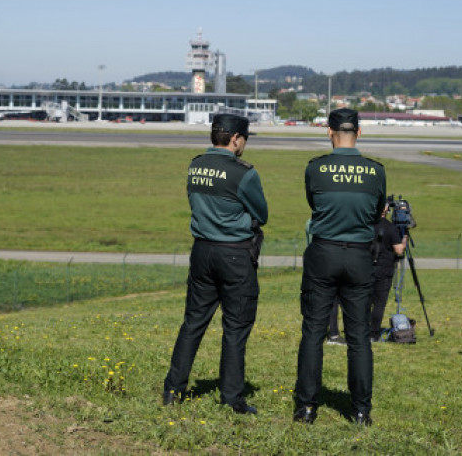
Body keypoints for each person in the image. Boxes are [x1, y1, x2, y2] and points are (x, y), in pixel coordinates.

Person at [163, 114, 268, 415]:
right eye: (245, 139)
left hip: (201, 251)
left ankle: (173, 390)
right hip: (234, 254)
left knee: (193, 322)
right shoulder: (244, 172)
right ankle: (232, 397)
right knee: (235, 326)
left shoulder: (195, 165)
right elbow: (261, 212)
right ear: (236, 138)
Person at [293, 108, 386, 426]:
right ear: (359, 133)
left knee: (313, 332)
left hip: (324, 252)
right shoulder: (375, 171)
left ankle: (306, 408)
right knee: (359, 336)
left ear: (328, 132)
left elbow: (313, 204)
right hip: (359, 255)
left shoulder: (315, 168)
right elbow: (377, 214)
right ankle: (360, 410)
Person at [370, 202, 409, 341]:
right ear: (385, 210)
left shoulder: (366, 225)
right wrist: (404, 237)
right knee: (379, 304)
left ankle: (360, 330)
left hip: (366, 268)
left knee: (365, 302)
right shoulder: (390, 228)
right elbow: (399, 250)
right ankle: (373, 334)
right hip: (384, 269)